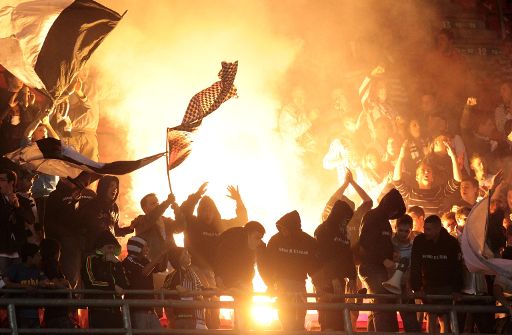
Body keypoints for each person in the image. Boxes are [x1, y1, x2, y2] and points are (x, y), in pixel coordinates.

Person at [181, 183, 247, 328]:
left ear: (214, 211)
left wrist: (238, 200)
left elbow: (242, 220)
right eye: (203, 210)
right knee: (203, 302)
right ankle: (203, 327)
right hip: (196, 269)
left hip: (216, 273)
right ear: (199, 211)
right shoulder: (193, 223)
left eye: (210, 210)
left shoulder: (221, 225)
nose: (207, 214)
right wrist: (196, 196)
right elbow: (184, 211)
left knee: (214, 305)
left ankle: (214, 328)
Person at [262, 210, 319, 331]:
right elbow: (267, 264)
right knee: (286, 318)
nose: (283, 231)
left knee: (300, 317)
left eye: (285, 229)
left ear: (293, 228)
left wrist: (319, 284)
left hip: (299, 284)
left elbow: (315, 266)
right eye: (281, 229)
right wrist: (270, 283)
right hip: (281, 284)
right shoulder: (276, 240)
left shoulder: (308, 241)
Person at [358, 188, 406, 332]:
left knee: (380, 305)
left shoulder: (383, 221)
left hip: (379, 268)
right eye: (393, 211)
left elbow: (381, 243)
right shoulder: (372, 217)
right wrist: (384, 259)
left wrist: (391, 255)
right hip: (372, 267)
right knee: (383, 305)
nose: (393, 215)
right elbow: (366, 242)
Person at [410, 215, 463, 333]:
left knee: (444, 316)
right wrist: (416, 287)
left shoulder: (451, 243)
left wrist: (456, 289)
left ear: (438, 229)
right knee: (431, 314)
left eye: (429, 229)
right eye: (425, 228)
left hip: (446, 286)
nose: (425, 232)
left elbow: (457, 267)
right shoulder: (419, 241)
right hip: (427, 284)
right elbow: (415, 265)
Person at [214, 221, 266, 330]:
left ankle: (243, 328)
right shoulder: (232, 241)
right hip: (225, 274)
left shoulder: (257, 246)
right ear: (248, 234)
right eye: (257, 238)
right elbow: (219, 259)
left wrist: (269, 283)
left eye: (261, 238)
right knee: (243, 302)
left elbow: (261, 267)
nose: (259, 242)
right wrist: (218, 277)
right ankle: (242, 329)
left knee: (246, 303)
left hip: (240, 278)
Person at [314, 200, 357, 331]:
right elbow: (322, 256)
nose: (346, 222)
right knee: (328, 319)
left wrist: (353, 277)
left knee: (339, 319)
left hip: (339, 281)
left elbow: (347, 256)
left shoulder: (343, 233)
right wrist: (332, 278)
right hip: (325, 281)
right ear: (338, 215)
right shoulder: (323, 230)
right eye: (345, 218)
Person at [45, 178, 95, 288]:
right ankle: (71, 302)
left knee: (90, 276)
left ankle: (89, 303)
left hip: (88, 242)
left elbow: (95, 216)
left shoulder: (90, 194)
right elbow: (49, 222)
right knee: (71, 276)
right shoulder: (56, 195)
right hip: (68, 243)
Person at [393, 139, 462, 216]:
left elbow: (457, 180)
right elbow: (397, 180)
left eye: (429, 171)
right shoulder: (410, 193)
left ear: (432, 178)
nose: (426, 172)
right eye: (423, 170)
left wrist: (453, 156)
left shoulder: (438, 192)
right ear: (417, 177)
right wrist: (401, 156)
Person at [122, 236, 171, 332]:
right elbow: (144, 272)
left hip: (150, 308)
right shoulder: (128, 261)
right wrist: (161, 253)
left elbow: (161, 268)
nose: (148, 249)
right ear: (137, 248)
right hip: (137, 309)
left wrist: (166, 252)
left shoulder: (145, 261)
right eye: (145, 246)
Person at [81, 230, 128, 329]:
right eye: (109, 247)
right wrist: (113, 287)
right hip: (99, 310)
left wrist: (118, 264)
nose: (111, 250)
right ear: (100, 248)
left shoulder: (114, 263)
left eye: (113, 248)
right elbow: (91, 282)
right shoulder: (90, 260)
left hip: (116, 311)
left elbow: (124, 285)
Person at [131, 192, 184, 271]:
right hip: (154, 266)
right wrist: (167, 202)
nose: (157, 205)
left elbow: (180, 227)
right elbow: (154, 215)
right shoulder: (141, 221)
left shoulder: (166, 220)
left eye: (157, 203)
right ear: (145, 209)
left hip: (173, 265)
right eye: (153, 204)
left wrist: (177, 211)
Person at [3, 243, 52, 329]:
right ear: (29, 258)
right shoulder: (16, 268)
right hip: (18, 314)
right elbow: (6, 283)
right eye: (38, 255)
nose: (40, 257)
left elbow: (47, 281)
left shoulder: (37, 270)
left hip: (35, 314)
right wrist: (24, 287)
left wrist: (45, 284)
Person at [79, 175, 133, 252]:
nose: (115, 189)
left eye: (116, 187)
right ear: (104, 187)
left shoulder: (115, 208)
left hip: (108, 252)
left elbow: (115, 231)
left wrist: (130, 228)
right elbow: (82, 227)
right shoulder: (91, 205)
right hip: (92, 250)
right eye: (111, 186)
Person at [162, 248, 207, 330]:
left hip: (192, 318)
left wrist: (217, 291)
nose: (190, 255)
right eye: (186, 254)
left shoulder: (190, 273)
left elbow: (201, 290)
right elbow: (170, 291)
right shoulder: (175, 275)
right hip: (183, 318)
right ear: (179, 258)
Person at [392, 215, 421, 332]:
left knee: (411, 321)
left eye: (406, 231)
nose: (403, 234)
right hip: (387, 285)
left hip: (405, 285)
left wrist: (409, 285)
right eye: (400, 230)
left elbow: (413, 268)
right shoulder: (388, 243)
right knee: (386, 319)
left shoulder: (414, 246)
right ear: (395, 228)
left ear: (411, 229)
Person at [39, 238, 76, 330]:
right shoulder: (52, 263)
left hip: (51, 309)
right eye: (59, 251)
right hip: (58, 310)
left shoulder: (43, 264)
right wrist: (66, 285)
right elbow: (55, 282)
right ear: (55, 252)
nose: (60, 253)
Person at [0, 169, 26, 274]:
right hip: (2, 249)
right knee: (3, 283)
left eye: (1, 180)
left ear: (11, 182)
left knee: (17, 280)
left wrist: (17, 206)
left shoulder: (21, 199)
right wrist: (9, 205)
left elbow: (29, 220)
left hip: (18, 248)